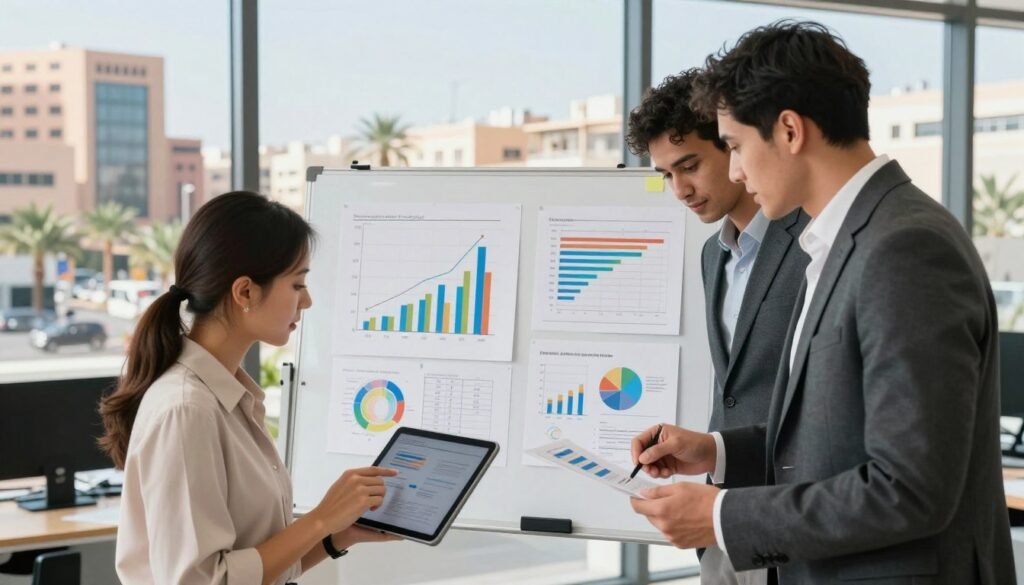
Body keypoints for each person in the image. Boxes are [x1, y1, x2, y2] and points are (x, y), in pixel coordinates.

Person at [629, 21, 1014, 584]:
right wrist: (717, 452)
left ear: (789, 130)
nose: (734, 170)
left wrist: (721, 514)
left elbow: (909, 488)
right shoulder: (842, 240)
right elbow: (832, 437)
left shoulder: (905, 247)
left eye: (735, 146)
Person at [100, 192, 399, 585]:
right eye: (297, 284)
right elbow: (203, 581)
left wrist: (334, 536)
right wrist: (320, 519)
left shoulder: (230, 399)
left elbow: (250, 571)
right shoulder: (187, 410)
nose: (306, 301)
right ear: (245, 292)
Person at [626, 70, 808, 585]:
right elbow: (737, 392)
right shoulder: (714, 254)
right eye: (665, 174)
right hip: (721, 521)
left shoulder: (813, 245)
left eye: (690, 166)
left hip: (794, 522)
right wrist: (707, 448)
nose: (680, 190)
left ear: (732, 149)